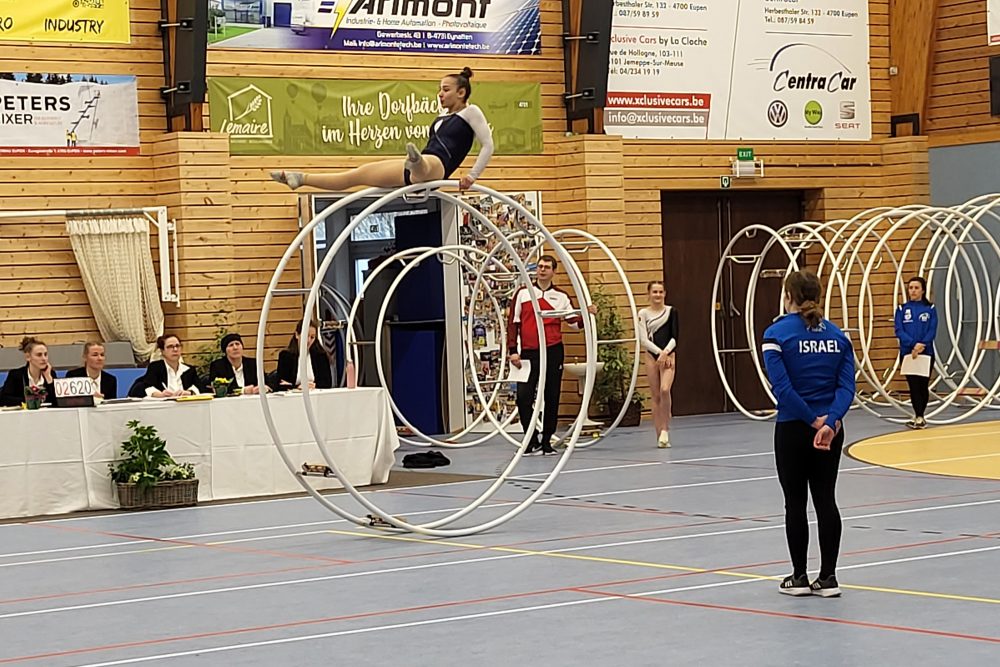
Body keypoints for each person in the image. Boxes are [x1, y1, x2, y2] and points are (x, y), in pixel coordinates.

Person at [762, 270, 855, 598]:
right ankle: (828, 577)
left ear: (789, 296)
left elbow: (782, 389)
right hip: (832, 431)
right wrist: (831, 421)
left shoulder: (776, 335)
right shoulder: (839, 337)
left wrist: (812, 421)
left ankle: (799, 576)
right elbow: (847, 387)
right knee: (826, 499)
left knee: (795, 502)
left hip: (793, 429)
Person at [271, 68, 493, 192]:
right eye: (439, 90)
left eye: (446, 89)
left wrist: (472, 177)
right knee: (356, 174)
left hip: (437, 169)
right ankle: (300, 178)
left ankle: (416, 162)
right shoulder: (441, 117)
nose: (440, 94)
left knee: (428, 162)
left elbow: (488, 145)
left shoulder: (471, 112)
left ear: (461, 93)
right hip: (415, 175)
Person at [507, 255, 597, 455]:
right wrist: (513, 350)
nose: (542, 270)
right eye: (539, 266)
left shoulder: (561, 296)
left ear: (554, 271)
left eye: (547, 267)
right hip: (529, 352)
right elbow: (513, 323)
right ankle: (531, 438)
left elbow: (573, 323)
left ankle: (546, 440)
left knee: (552, 395)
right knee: (523, 397)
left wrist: (587, 314)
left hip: (553, 350)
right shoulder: (522, 294)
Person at [637, 280, 678, 448]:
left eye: (660, 292)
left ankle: (666, 429)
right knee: (655, 396)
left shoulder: (671, 312)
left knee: (665, 389)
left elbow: (675, 336)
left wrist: (666, 352)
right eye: (654, 292)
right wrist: (659, 353)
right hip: (652, 355)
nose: (658, 295)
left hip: (669, 355)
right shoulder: (643, 313)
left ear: (665, 294)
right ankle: (659, 435)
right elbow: (643, 339)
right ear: (648, 294)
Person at [894, 276, 937, 429]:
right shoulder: (901, 309)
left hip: (926, 353)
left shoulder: (930, 309)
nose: (913, 290)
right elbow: (899, 330)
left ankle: (920, 415)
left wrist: (921, 345)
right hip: (908, 353)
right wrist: (913, 345)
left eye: (916, 288)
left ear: (923, 290)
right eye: (911, 287)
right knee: (913, 385)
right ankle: (918, 415)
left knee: (923, 385)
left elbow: (932, 330)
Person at [135, 335, 204, 398]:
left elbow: (200, 388)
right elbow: (147, 387)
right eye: (170, 347)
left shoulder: (189, 370)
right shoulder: (155, 368)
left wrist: (189, 393)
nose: (175, 349)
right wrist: (160, 394)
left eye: (177, 346)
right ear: (162, 351)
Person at [274, 321, 333, 390]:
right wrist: (297, 387)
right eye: (306, 336)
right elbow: (280, 384)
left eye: (312, 337)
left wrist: (314, 385)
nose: (308, 340)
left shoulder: (320, 356)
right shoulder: (286, 356)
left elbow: (327, 383)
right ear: (297, 335)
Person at [1, 337, 56, 407]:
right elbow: (4, 399)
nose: (44, 359)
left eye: (45, 354)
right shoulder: (16, 375)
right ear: (28, 357)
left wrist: (49, 378)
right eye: (39, 355)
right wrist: (31, 400)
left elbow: (58, 401)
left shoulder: (51, 374)